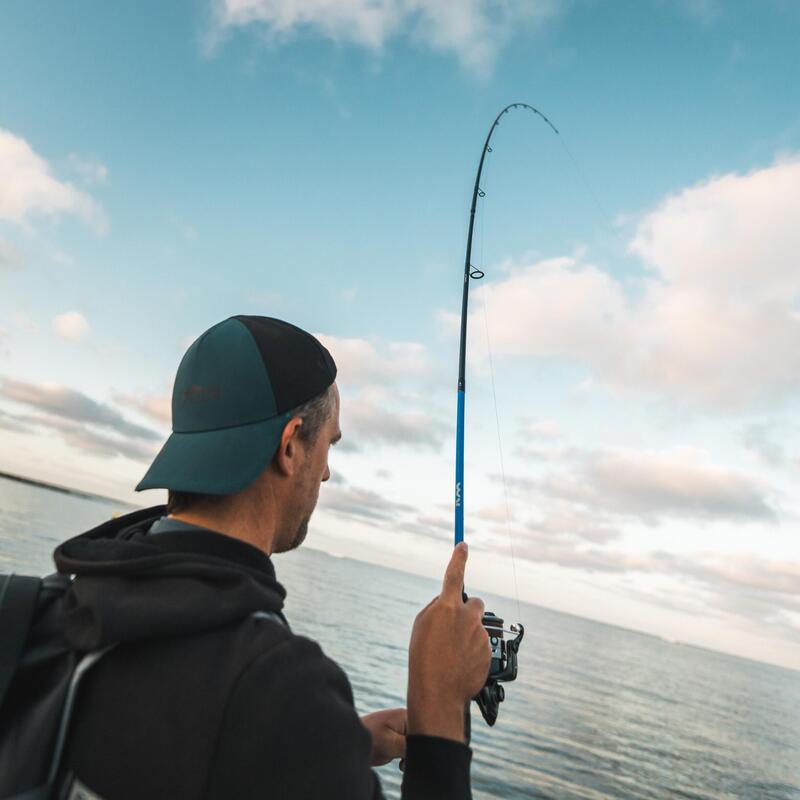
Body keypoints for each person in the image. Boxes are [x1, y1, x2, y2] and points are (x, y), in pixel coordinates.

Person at [52, 315, 490, 800]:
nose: (325, 474)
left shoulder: (49, 608)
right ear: (289, 447)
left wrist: (334, 748)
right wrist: (441, 709)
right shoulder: (282, 689)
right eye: (328, 446)